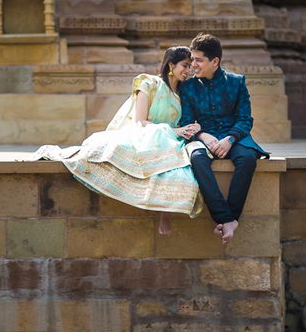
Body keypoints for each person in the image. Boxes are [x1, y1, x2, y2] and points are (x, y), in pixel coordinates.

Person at [32, 46, 203, 235]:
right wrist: (174, 130)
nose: (188, 71)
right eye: (185, 66)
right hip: (144, 134)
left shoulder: (181, 95)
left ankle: (165, 214)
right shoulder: (149, 84)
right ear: (171, 64)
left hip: (170, 139)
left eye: (190, 67)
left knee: (179, 170)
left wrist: (190, 128)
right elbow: (140, 121)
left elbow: (183, 121)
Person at [178, 33, 268, 244]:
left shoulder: (236, 82)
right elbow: (187, 120)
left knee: (247, 158)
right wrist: (202, 135)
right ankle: (225, 218)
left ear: (215, 61)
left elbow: (246, 119)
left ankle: (231, 217)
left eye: (199, 60)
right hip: (202, 137)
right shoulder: (188, 87)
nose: (193, 65)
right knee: (198, 158)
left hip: (234, 136)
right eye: (192, 59)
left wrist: (230, 139)